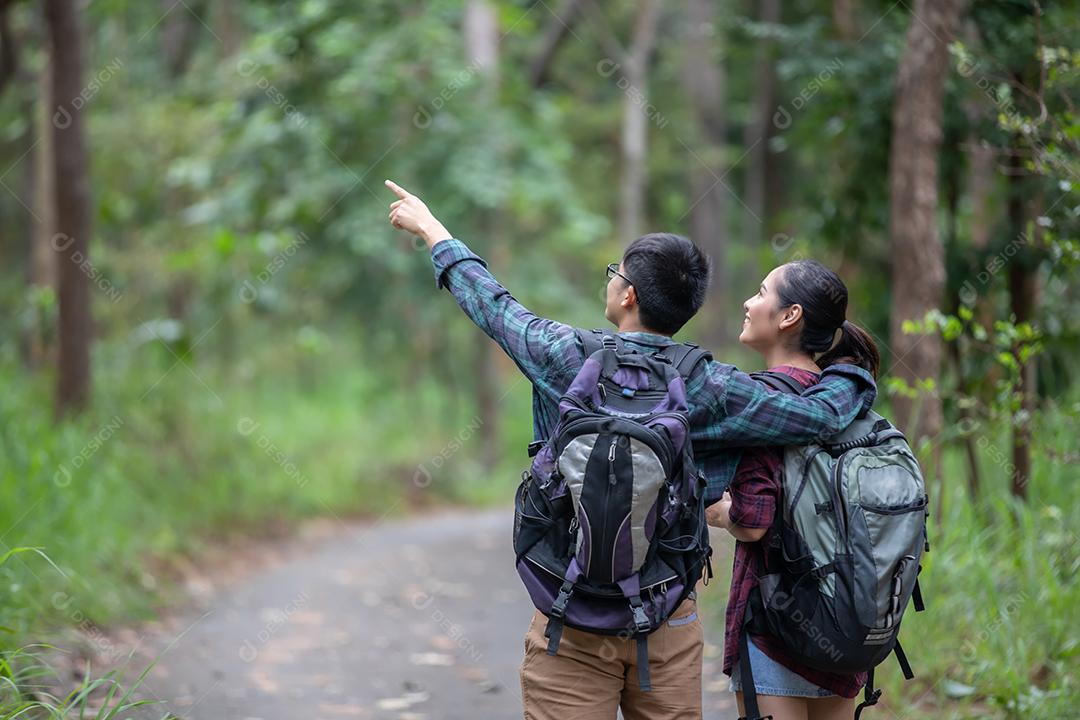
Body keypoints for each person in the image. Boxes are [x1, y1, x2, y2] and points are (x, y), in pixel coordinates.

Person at [385, 179, 877, 720]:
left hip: (566, 618)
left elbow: (492, 305)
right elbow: (818, 414)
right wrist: (851, 370)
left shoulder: (564, 355)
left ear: (628, 296)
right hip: (666, 621)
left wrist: (432, 230)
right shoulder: (710, 386)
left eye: (614, 272)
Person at [707, 260, 880, 720]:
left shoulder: (764, 402)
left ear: (790, 316)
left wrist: (720, 510)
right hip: (844, 618)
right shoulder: (845, 396)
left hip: (775, 624)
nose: (749, 302)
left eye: (761, 292)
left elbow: (753, 523)